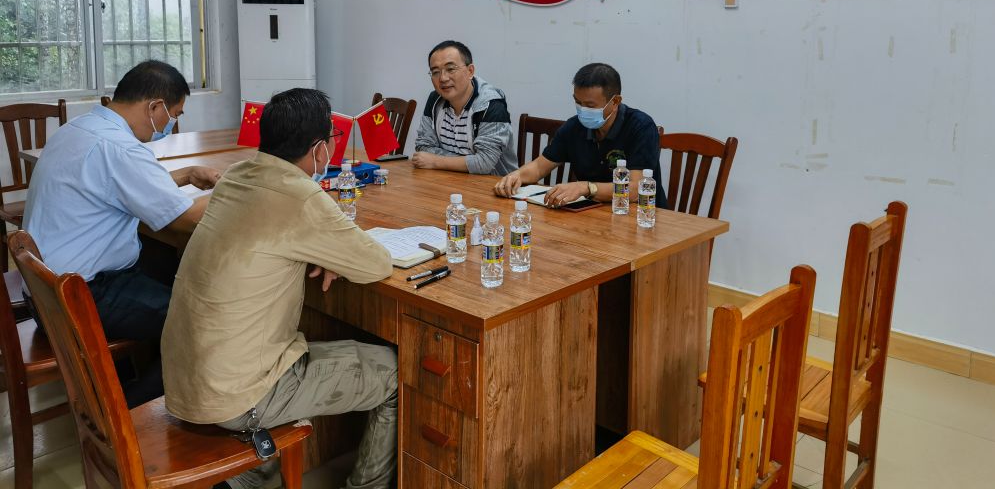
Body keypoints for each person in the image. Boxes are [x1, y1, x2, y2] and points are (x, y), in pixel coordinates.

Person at [162, 88, 395, 489]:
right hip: (236, 394)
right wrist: (328, 251)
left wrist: (319, 249)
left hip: (186, 379)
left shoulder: (237, 176)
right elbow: (376, 263)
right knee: (393, 372)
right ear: (320, 149)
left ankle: (249, 477)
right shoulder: (301, 197)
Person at [22, 60, 219, 406]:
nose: (171, 124)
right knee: (205, 323)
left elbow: (114, 184)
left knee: (168, 267)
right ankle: (124, 413)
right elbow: (186, 218)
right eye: (174, 115)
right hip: (81, 297)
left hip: (45, 292)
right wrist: (243, 190)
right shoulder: (120, 148)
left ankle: (130, 378)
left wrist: (186, 174)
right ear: (155, 107)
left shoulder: (80, 128)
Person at [494, 62, 667, 208]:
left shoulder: (641, 127)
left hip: (641, 215)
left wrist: (587, 188)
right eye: (578, 102)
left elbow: (636, 189)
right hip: (591, 213)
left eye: (590, 105)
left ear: (615, 102)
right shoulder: (574, 127)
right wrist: (515, 176)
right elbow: (539, 167)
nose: (583, 110)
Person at [412, 40, 517, 176]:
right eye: (436, 72)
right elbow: (423, 146)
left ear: (470, 71)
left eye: (450, 69)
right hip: (448, 180)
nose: (443, 78)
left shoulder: (491, 104)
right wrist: (469, 161)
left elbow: (484, 163)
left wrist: (435, 161)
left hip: (493, 184)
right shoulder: (435, 100)